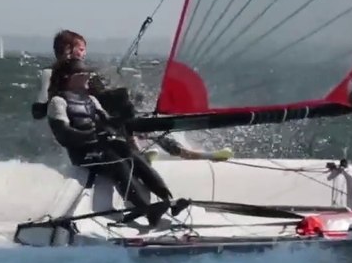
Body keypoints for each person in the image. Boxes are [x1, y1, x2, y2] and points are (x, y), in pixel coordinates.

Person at [45, 28, 233, 162]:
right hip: (87, 127)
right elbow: (43, 108)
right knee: (124, 107)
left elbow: (98, 92)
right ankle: (139, 148)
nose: (84, 53)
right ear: (68, 50)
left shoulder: (85, 71)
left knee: (134, 107)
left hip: (104, 117)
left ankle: (180, 151)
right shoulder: (54, 75)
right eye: (81, 49)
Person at [45, 59, 184, 227]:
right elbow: (64, 135)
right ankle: (146, 210)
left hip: (100, 145)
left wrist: (124, 116)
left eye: (89, 73)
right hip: (81, 153)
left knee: (134, 156)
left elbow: (108, 122)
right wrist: (93, 135)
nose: (89, 77)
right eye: (83, 74)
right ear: (68, 78)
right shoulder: (58, 102)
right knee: (117, 162)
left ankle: (169, 201)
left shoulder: (90, 99)